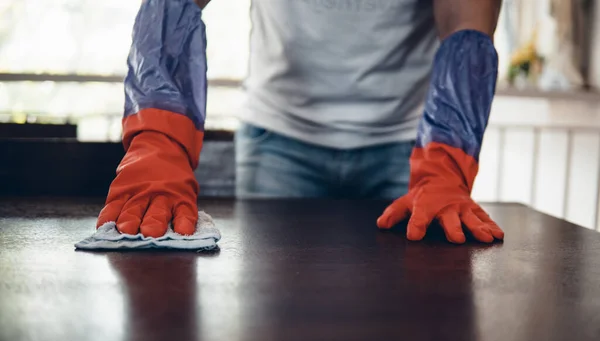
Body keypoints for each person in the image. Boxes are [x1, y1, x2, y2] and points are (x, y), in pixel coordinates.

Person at [97, 0, 505, 244]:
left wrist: (446, 165)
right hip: (278, 140)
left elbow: (467, 21)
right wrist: (159, 142)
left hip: (407, 144)